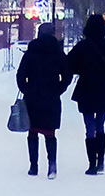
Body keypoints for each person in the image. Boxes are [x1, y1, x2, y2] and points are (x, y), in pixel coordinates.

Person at [66, 14, 105, 175]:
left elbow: (70, 64)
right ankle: (101, 160)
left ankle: (92, 164)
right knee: (100, 125)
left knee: (89, 127)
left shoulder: (82, 47)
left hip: (86, 89)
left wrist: (83, 72)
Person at [16, 23, 71, 178]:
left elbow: (21, 74)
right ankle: (52, 165)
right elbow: (67, 75)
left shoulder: (31, 52)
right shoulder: (58, 53)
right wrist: (59, 89)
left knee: (32, 132)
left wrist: (26, 89)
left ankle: (34, 166)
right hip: (51, 97)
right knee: (49, 133)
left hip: (32, 97)